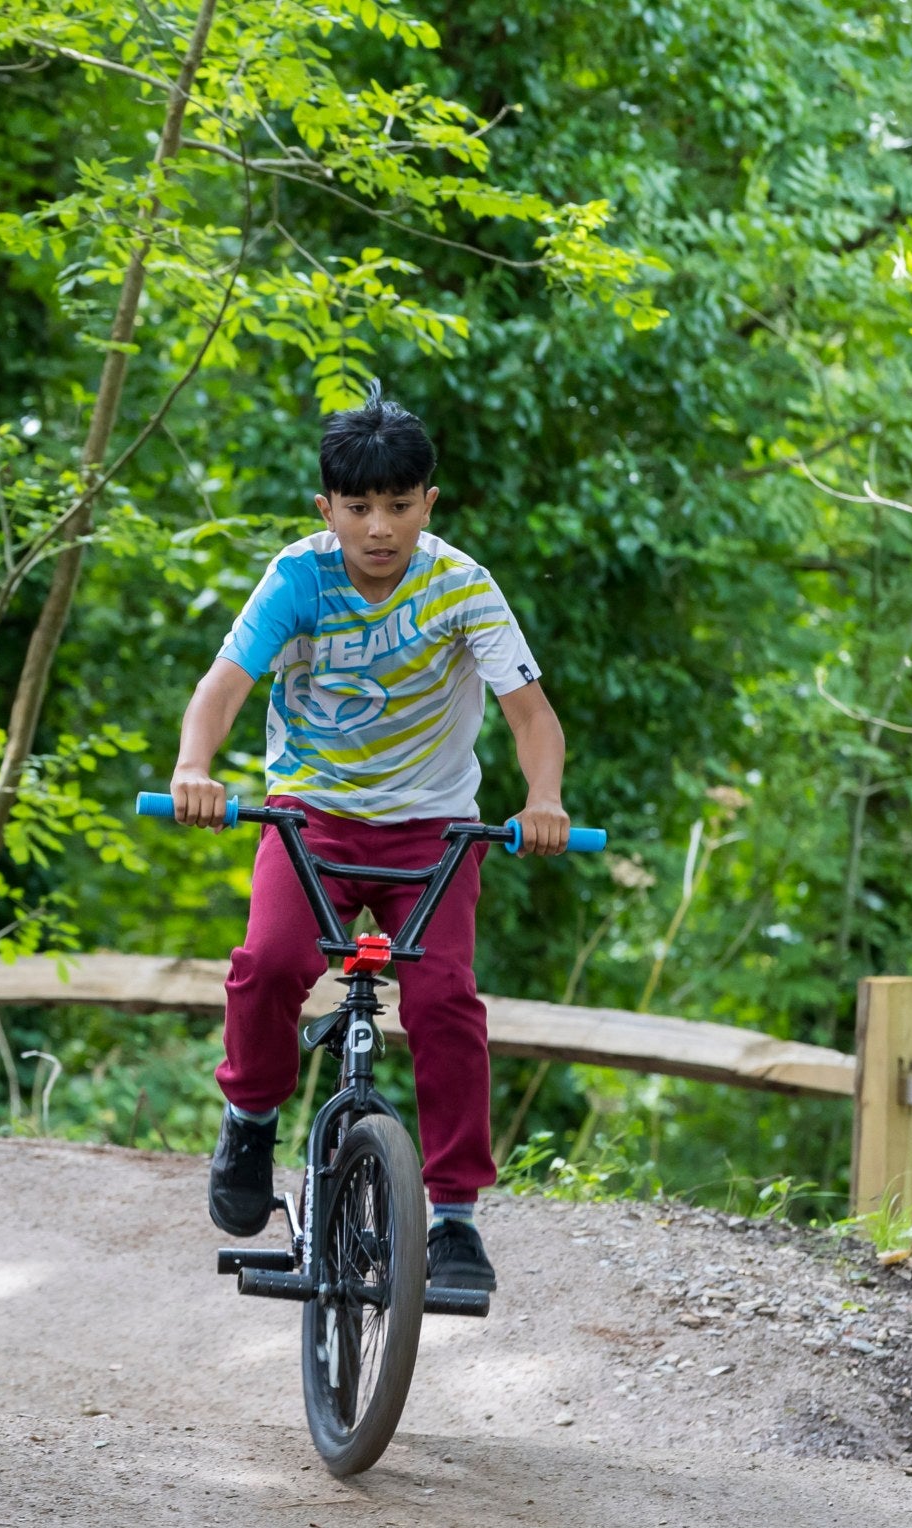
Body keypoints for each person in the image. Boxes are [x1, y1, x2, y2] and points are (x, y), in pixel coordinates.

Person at [163, 387, 569, 1296]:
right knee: (269, 963)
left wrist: (543, 796)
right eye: (358, 508)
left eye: (398, 505)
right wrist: (197, 767)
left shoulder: (461, 586)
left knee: (445, 1000)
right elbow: (224, 685)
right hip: (312, 811)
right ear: (327, 510)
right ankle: (251, 1115)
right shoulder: (298, 577)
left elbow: (531, 715)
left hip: (433, 826)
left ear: (430, 502)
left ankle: (456, 1215)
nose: (378, 528)